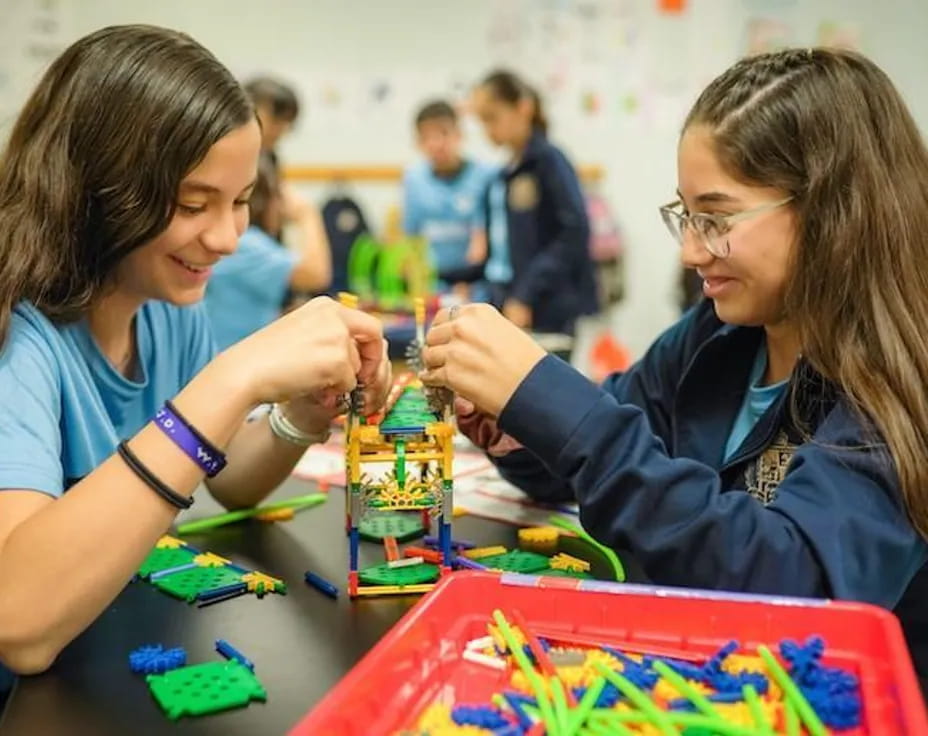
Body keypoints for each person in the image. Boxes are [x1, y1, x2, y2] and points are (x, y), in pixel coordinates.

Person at [422, 48, 928, 683]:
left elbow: (798, 591)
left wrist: (561, 409)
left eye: (715, 219)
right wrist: (522, 421)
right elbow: (608, 458)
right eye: (686, 216)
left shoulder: (902, 379)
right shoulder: (719, 333)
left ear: (832, 211)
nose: (691, 251)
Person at [0, 25, 389, 675]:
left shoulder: (164, 308)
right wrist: (234, 377)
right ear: (99, 190)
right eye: (192, 204)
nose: (228, 238)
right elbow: (18, 620)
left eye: (239, 203)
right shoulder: (19, 336)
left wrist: (302, 413)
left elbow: (229, 475)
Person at [470, 70, 598, 334]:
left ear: (523, 108)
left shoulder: (549, 161)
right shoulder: (506, 172)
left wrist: (525, 295)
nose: (488, 130)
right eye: (482, 121)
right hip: (510, 297)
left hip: (546, 305)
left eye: (492, 118)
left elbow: (573, 232)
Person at [204, 152, 332, 350]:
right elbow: (316, 275)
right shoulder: (248, 244)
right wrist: (308, 215)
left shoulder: (245, 243)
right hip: (234, 359)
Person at [402, 100, 496, 298]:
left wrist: (465, 284)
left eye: (443, 134)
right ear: (418, 142)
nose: (436, 144)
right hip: (431, 288)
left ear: (459, 135)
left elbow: (481, 242)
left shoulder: (485, 177)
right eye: (427, 137)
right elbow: (410, 239)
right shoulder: (414, 180)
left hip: (475, 287)